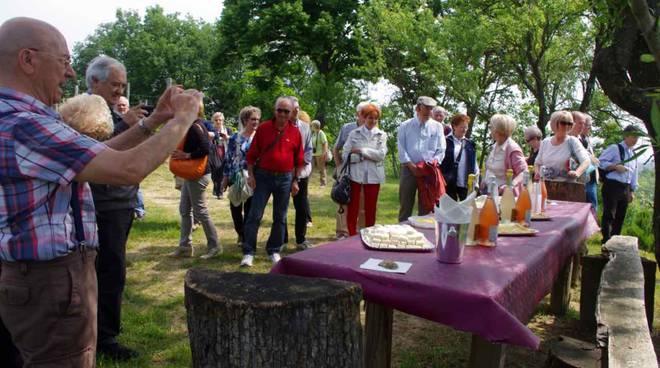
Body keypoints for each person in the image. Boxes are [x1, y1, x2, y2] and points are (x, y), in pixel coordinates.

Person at [0, 17, 203, 367]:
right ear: (28, 60)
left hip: (31, 277)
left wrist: (153, 120)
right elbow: (127, 169)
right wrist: (182, 119)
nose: (71, 74)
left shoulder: (18, 118)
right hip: (50, 282)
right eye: (63, 61)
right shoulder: (26, 125)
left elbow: (102, 155)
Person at [85, 55, 145, 360]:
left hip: (120, 202)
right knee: (106, 270)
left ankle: (102, 334)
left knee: (112, 269)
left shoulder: (110, 110)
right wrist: (128, 124)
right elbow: (95, 149)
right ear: (94, 81)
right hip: (102, 203)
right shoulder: (82, 111)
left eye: (123, 86)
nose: (120, 91)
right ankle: (103, 338)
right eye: (115, 85)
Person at [242, 97, 304, 267]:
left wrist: (295, 181)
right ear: (274, 110)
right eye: (280, 110)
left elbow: (299, 160)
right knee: (254, 214)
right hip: (263, 176)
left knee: (280, 217)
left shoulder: (295, 132)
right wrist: (251, 175)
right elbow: (251, 155)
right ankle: (248, 252)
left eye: (286, 111)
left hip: (285, 179)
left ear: (292, 113)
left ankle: (274, 249)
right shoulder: (263, 129)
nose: (283, 114)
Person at [170, 104, 221, 260]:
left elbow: (206, 148)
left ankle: (215, 246)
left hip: (198, 175)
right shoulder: (194, 125)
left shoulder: (195, 127)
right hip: (192, 174)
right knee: (185, 209)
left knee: (200, 211)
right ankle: (185, 246)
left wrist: (186, 156)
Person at [397, 96, 446, 222]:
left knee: (426, 206)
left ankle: (423, 234)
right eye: (427, 108)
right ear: (418, 108)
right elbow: (401, 148)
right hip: (409, 169)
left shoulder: (437, 127)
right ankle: (402, 234)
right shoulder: (405, 125)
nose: (429, 112)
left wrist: (434, 162)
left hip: (428, 170)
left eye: (431, 109)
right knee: (406, 204)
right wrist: (411, 166)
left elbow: (441, 149)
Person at [342, 103, 388, 235]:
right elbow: (346, 155)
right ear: (363, 117)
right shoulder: (353, 133)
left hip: (374, 176)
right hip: (355, 176)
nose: (373, 121)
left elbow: (380, 155)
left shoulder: (382, 135)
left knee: (371, 208)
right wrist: (360, 158)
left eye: (375, 118)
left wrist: (361, 151)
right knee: (353, 208)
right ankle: (351, 234)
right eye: (370, 118)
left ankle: (369, 234)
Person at [223, 106, 260, 250]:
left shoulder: (259, 138)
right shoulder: (235, 138)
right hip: (236, 177)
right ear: (245, 120)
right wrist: (225, 179)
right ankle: (241, 233)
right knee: (236, 209)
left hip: (252, 178)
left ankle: (246, 238)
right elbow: (228, 159)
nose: (256, 122)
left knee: (250, 211)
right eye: (253, 119)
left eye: (257, 119)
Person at [598, 125, 640, 244]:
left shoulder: (634, 153)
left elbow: (634, 172)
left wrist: (632, 190)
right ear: (626, 136)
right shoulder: (615, 148)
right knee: (609, 214)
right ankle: (606, 241)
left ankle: (615, 243)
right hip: (612, 185)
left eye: (638, 137)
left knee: (620, 217)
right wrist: (615, 167)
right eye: (634, 136)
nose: (636, 139)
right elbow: (600, 162)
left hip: (625, 188)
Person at [333, 102, 368, 239]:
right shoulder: (347, 128)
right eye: (363, 114)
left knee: (363, 204)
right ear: (357, 114)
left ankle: (361, 232)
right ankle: (342, 233)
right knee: (344, 202)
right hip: (348, 171)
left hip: (366, 173)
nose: (366, 117)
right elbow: (336, 148)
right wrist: (339, 167)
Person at [284, 97, 314, 249]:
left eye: (298, 107)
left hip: (301, 172)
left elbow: (308, 149)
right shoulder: (281, 126)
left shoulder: (305, 127)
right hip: (283, 172)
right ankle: (282, 239)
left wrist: (300, 168)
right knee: (282, 206)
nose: (296, 110)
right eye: (293, 108)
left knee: (301, 206)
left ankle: (301, 239)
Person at [534, 111, 591, 183]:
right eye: (563, 123)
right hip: (546, 186)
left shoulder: (573, 141)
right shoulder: (545, 142)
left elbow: (586, 161)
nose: (567, 126)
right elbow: (537, 163)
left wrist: (577, 173)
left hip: (568, 188)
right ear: (554, 123)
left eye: (570, 123)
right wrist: (537, 173)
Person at [483, 114, 527, 193]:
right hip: (488, 191)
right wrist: (483, 180)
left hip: (503, 195)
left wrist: (510, 185)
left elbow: (524, 172)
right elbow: (489, 169)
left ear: (497, 131)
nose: (490, 130)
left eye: (491, 127)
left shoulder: (512, 149)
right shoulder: (493, 147)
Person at [440, 114, 478, 200]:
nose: (464, 129)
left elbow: (474, 164)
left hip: (465, 182)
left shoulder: (470, 144)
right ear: (454, 126)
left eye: (466, 127)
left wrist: (476, 181)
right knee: (449, 208)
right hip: (448, 182)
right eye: (461, 127)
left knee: (466, 208)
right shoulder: (445, 141)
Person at [580, 115, 600, 210]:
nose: (590, 128)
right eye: (588, 125)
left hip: (591, 179)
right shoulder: (575, 138)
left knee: (593, 207)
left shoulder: (587, 138)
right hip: (583, 179)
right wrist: (590, 157)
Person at [211, 111, 232, 199]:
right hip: (214, 152)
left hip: (225, 151)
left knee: (221, 171)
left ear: (223, 121)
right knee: (215, 172)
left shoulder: (227, 130)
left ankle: (220, 191)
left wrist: (227, 137)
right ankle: (217, 189)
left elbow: (233, 140)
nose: (218, 122)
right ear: (213, 121)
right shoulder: (211, 130)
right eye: (216, 120)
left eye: (220, 120)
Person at [311, 120, 329, 187]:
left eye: (312, 125)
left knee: (321, 168)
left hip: (320, 154)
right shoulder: (314, 133)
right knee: (310, 168)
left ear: (315, 126)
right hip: (313, 154)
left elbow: (325, 143)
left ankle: (323, 183)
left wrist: (324, 153)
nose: (311, 127)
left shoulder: (321, 133)